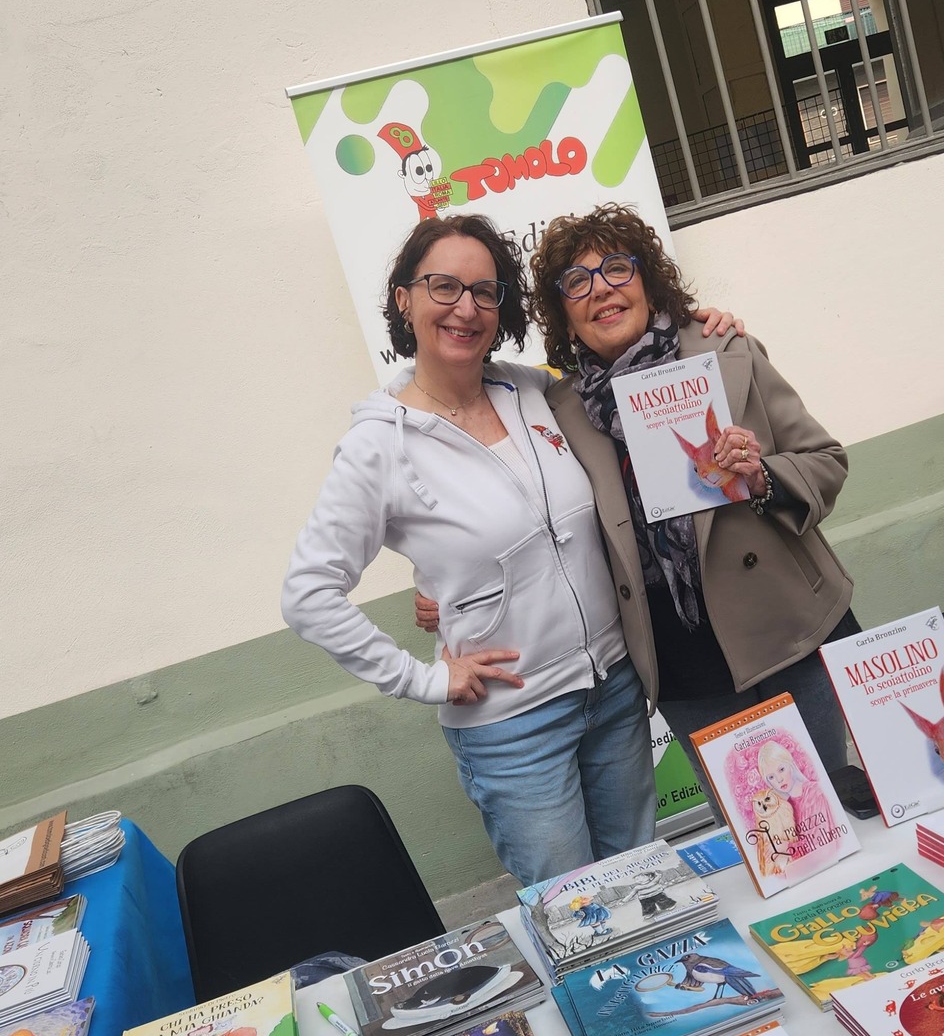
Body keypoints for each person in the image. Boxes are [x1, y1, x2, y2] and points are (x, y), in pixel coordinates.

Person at [280, 212, 659, 886]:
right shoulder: (379, 446)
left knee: (642, 885)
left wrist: (700, 329)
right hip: (515, 729)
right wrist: (422, 680)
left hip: (614, 691)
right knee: (577, 913)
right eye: (444, 287)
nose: (466, 308)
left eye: (485, 291)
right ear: (404, 299)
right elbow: (308, 594)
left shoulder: (532, 390)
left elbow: (623, 365)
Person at [525, 204, 858, 786]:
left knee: (832, 801)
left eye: (617, 268)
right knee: (765, 826)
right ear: (565, 318)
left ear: (649, 284)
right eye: (577, 281)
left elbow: (826, 462)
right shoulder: (560, 415)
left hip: (790, 630)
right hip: (683, 663)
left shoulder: (725, 350)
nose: (601, 288)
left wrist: (761, 477)